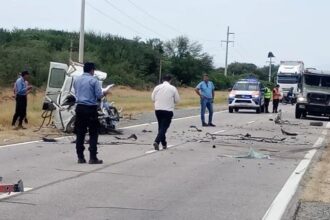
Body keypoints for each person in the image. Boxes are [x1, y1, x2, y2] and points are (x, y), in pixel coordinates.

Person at [73, 62, 109, 164]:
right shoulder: (94, 80)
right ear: (92, 70)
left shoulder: (76, 80)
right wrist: (104, 93)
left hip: (79, 108)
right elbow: (98, 96)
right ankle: (93, 157)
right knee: (93, 132)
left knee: (80, 132)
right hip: (91, 108)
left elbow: (76, 93)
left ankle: (80, 157)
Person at [151, 75, 180, 151]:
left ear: (163, 80)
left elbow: (152, 98)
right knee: (164, 128)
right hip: (168, 110)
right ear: (170, 80)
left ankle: (164, 144)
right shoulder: (173, 88)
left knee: (160, 127)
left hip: (158, 110)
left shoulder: (157, 87)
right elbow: (177, 100)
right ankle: (157, 141)